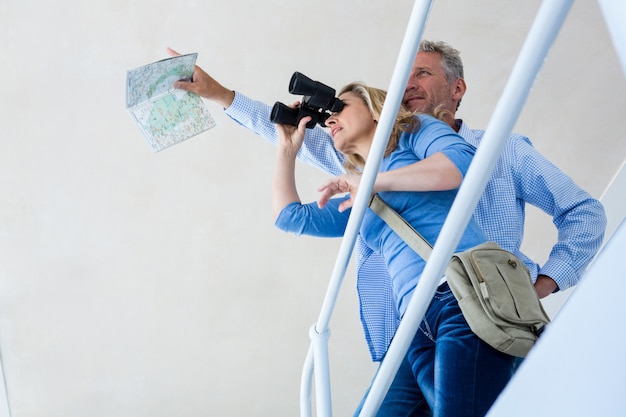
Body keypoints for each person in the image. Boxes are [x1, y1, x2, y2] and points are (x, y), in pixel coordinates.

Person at [168, 40, 606, 415]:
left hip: (478, 302)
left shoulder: (496, 150)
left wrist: (545, 282)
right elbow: (297, 192)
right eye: (402, 76)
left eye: (422, 73)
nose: (408, 84)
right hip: (412, 320)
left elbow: (582, 210)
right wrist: (224, 96)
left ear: (458, 88)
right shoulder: (369, 166)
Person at [273, 81, 517, 417]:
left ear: (375, 110)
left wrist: (372, 181)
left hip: (461, 296)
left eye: (339, 107)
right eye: (326, 118)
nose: (329, 120)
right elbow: (292, 218)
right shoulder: (358, 189)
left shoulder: (415, 132)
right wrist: (287, 150)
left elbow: (461, 166)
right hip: (414, 322)